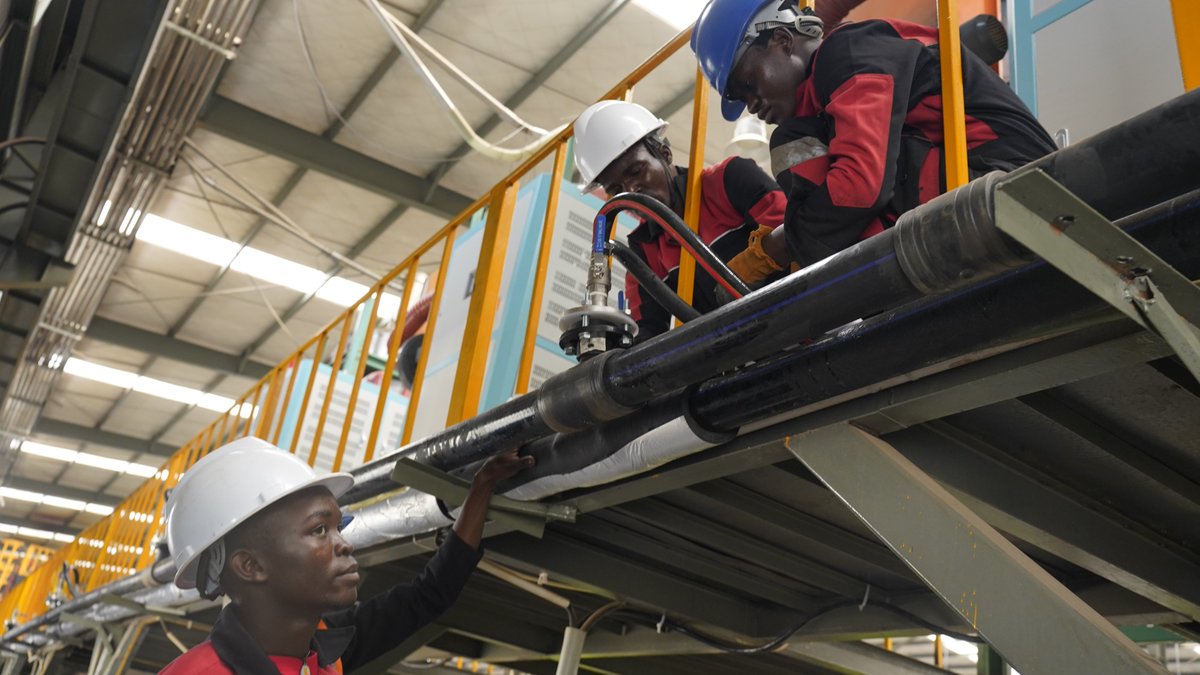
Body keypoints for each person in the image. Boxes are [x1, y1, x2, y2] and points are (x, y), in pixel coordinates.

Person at [690, 0, 1058, 284]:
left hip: (1011, 180)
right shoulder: (819, 104)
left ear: (783, 41)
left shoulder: (846, 51)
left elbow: (859, 187)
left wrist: (782, 247)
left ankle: (856, 290)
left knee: (796, 144)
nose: (751, 107)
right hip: (974, 183)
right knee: (794, 142)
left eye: (748, 84)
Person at [160, 437, 532, 674]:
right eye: (319, 529)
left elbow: (428, 596)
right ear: (250, 565)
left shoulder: (325, 654)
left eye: (339, 527)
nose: (344, 544)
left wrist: (481, 487)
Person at [573, 100, 788, 340]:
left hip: (799, 319)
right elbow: (648, 330)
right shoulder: (643, 249)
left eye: (636, 171)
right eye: (616, 189)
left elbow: (793, 229)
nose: (631, 190)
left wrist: (750, 266)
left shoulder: (730, 179)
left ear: (665, 154)